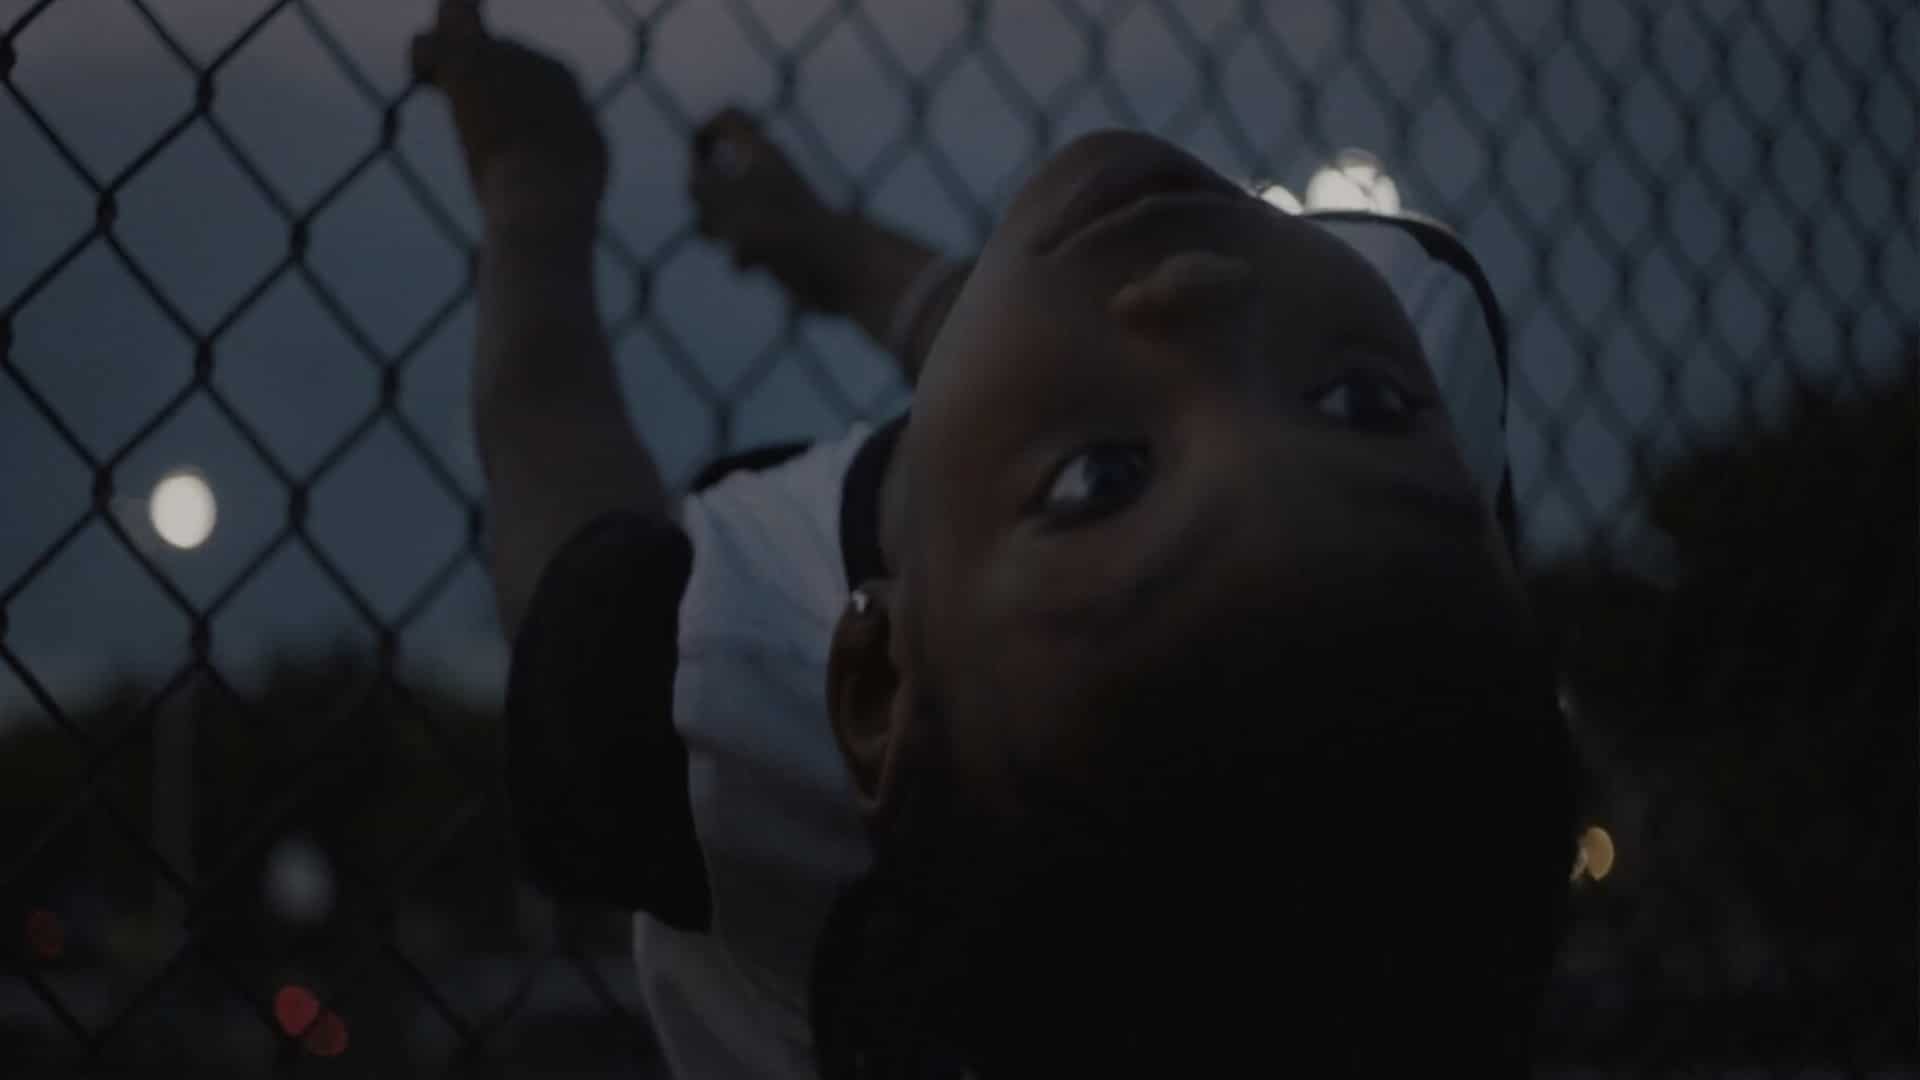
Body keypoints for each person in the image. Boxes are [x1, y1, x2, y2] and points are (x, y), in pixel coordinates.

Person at [411, 3, 1578, 1076]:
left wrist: (533, 191)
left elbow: (549, 445)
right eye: (1353, 406)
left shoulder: (698, 702)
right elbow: (1071, 323)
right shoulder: (1425, 402)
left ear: (873, 686)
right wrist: (825, 248)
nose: (1197, 286)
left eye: (1103, 482)